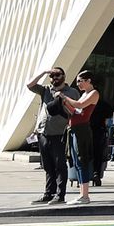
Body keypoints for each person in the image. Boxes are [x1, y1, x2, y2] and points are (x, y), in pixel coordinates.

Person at [26, 67, 79, 204]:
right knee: (48, 166)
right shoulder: (46, 90)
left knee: (60, 165)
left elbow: (77, 110)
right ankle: (48, 193)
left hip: (59, 133)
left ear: (64, 76)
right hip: (43, 133)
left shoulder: (72, 92)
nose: (54, 78)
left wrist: (63, 98)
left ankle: (60, 195)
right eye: (52, 75)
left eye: (57, 75)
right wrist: (44, 72)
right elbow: (29, 85)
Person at [58, 71, 100, 204]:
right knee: (76, 162)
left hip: (82, 129)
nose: (78, 84)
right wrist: (65, 103)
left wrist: (64, 97)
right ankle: (82, 194)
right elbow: (75, 110)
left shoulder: (94, 93)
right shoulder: (84, 94)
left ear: (88, 80)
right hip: (75, 128)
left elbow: (79, 106)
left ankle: (85, 195)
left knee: (82, 161)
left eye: (80, 81)